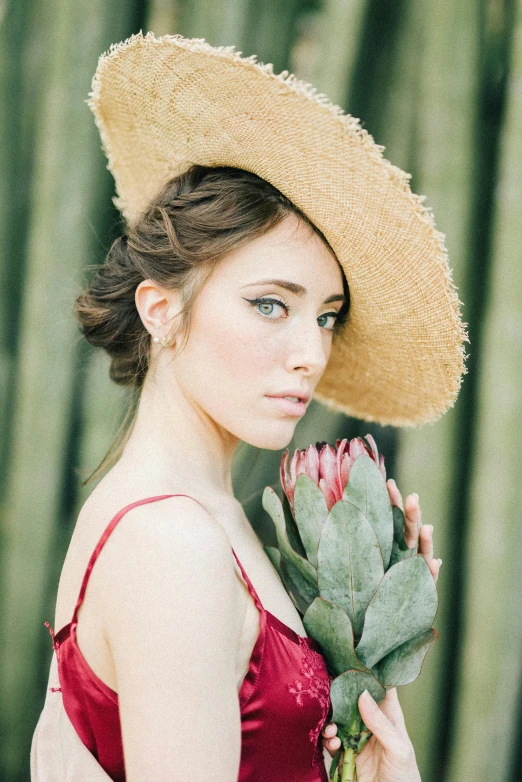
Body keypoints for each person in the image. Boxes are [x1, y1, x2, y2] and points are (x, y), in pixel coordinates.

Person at [31, 31, 466, 782]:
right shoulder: (171, 541)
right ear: (161, 309)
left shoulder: (208, 516)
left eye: (326, 315)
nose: (312, 352)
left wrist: (370, 643)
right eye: (271, 305)